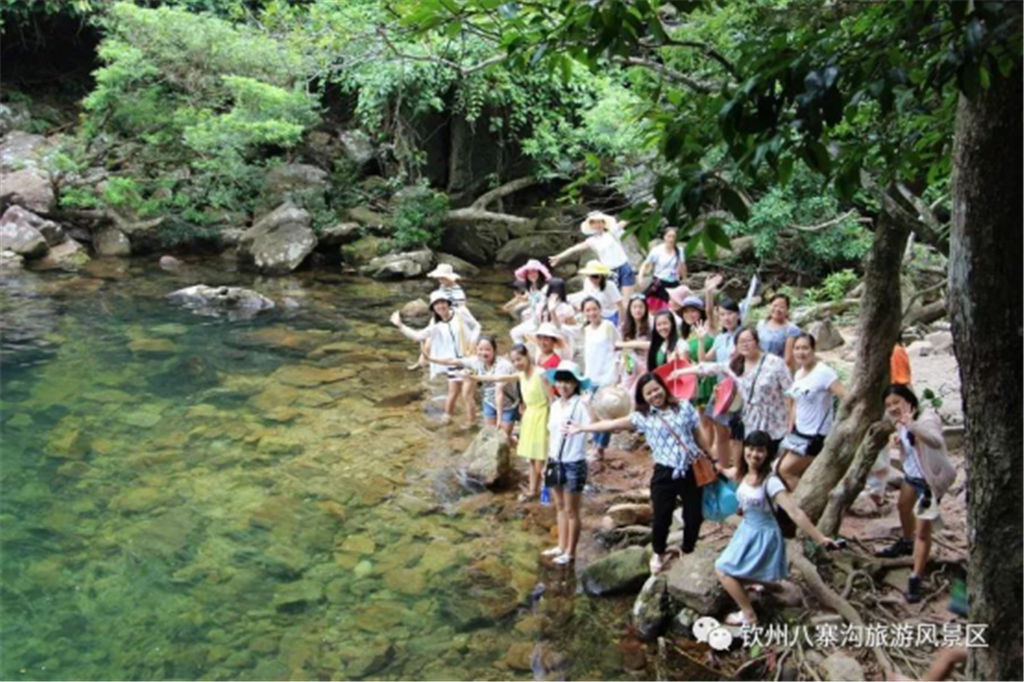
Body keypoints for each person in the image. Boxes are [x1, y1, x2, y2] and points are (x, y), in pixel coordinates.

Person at [569, 372, 711, 573]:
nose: (654, 395)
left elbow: (698, 433)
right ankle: (658, 552)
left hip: (691, 468)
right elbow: (612, 424)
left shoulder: (684, 406)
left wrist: (711, 456)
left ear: (663, 387)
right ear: (643, 397)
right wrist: (583, 428)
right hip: (664, 472)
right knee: (661, 516)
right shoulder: (642, 417)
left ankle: (688, 549)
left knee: (694, 515)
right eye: (648, 393)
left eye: (656, 389)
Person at [714, 430, 844, 626]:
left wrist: (820, 538)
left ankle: (749, 615)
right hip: (746, 529)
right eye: (750, 449)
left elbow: (795, 512)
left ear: (768, 453)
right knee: (736, 571)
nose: (754, 454)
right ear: (744, 449)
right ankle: (772, 587)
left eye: (760, 450)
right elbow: (728, 472)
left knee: (722, 570)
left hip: (764, 534)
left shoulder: (771, 481)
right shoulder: (743, 472)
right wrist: (712, 465)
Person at [874, 385, 956, 603]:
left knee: (923, 532)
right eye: (889, 405)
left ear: (909, 401)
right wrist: (899, 439)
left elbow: (936, 441)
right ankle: (906, 542)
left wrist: (912, 426)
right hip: (912, 477)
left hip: (929, 482)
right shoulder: (899, 421)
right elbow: (910, 446)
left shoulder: (927, 418)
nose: (893, 408)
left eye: (896, 402)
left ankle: (915, 578)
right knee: (902, 506)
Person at [390, 290, 480, 424]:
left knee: (467, 394)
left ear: (448, 303)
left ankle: (471, 422)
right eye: (436, 304)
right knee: (453, 393)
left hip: (469, 359)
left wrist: (473, 340)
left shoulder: (461, 313)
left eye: (442, 302)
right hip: (452, 363)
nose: (440, 306)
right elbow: (418, 336)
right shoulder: (436, 325)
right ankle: (447, 417)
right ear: (433, 308)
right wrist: (400, 325)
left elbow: (477, 326)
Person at [475, 344, 551, 502]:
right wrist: (475, 378)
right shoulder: (521, 375)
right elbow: (498, 378)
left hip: (543, 417)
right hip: (529, 417)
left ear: (527, 356)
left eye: (519, 359)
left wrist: (553, 423)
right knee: (531, 458)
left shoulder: (541, 374)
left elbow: (552, 399)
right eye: (513, 361)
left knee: (540, 460)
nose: (517, 363)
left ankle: (549, 492)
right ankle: (533, 490)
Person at [777, 333, 846, 490]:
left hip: (816, 436)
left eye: (805, 348)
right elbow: (796, 401)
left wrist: (841, 424)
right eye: (797, 348)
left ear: (813, 350)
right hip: (799, 433)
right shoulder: (799, 373)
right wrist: (791, 423)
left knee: (785, 470)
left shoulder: (824, 373)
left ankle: (802, 503)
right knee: (792, 471)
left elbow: (845, 396)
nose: (800, 352)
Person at [541, 361, 593, 565]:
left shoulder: (580, 404)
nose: (563, 386)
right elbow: (552, 436)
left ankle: (570, 552)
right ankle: (561, 546)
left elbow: (594, 425)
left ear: (576, 384)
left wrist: (589, 406)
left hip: (574, 462)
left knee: (572, 510)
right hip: (555, 461)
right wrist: (547, 461)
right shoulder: (555, 405)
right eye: (560, 381)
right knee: (560, 506)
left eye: (568, 382)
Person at [428, 335, 518, 440]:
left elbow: (499, 393)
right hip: (489, 402)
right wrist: (430, 359)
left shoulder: (503, 366)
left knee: (505, 437)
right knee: (491, 435)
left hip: (507, 405)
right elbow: (453, 361)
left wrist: (499, 417)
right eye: (480, 349)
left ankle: (513, 438)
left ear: (494, 350)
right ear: (476, 350)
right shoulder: (476, 361)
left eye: (487, 349)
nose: (483, 353)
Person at [550, 212, 636, 313]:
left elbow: (626, 221)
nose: (598, 225)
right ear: (591, 226)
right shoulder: (592, 241)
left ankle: (627, 319)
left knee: (626, 301)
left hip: (624, 267)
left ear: (604, 223)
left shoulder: (611, 232)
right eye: (594, 223)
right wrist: (559, 257)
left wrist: (643, 210)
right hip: (609, 272)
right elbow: (575, 249)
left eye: (600, 222)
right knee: (613, 301)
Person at [733, 326, 793, 449]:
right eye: (741, 342)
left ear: (757, 341)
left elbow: (790, 393)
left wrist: (791, 421)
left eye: (748, 340)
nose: (745, 345)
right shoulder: (737, 365)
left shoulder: (775, 363)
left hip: (775, 423)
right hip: (750, 423)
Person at [580, 297, 620, 462]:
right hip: (591, 376)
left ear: (600, 309)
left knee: (606, 413)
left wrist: (616, 374)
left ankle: (599, 447)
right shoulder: (586, 330)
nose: (591, 313)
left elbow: (618, 348)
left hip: (607, 376)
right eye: (587, 310)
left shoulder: (608, 326)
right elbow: (588, 355)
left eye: (594, 309)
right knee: (593, 413)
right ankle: (597, 444)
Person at [639, 226, 687, 312]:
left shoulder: (679, 251)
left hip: (673, 283)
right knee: (648, 303)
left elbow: (682, 266)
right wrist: (640, 277)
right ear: (664, 237)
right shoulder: (657, 250)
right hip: (659, 282)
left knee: (674, 306)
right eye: (669, 236)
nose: (671, 239)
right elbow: (646, 264)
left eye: (673, 237)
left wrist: (684, 280)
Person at [509, 259, 552, 343]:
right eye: (529, 272)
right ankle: (521, 350)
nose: (532, 274)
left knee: (520, 333)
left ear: (540, 273)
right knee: (514, 333)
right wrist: (520, 298)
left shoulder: (546, 288)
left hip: (543, 321)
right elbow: (531, 299)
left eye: (534, 271)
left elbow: (545, 304)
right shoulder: (532, 287)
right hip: (534, 320)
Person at [569, 260, 623, 326]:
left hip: (608, 315)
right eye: (590, 276)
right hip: (593, 314)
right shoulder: (587, 282)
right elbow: (586, 298)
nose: (593, 279)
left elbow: (620, 305)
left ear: (602, 276)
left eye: (595, 276)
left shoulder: (610, 286)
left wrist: (621, 323)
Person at [616, 294, 651, 397]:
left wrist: (628, 344)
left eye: (640, 307)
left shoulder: (651, 325)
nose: (637, 310)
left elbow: (651, 345)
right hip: (629, 363)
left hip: (645, 366)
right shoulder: (623, 327)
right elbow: (618, 346)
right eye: (634, 307)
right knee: (627, 391)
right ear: (630, 309)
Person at [757, 294, 801, 370]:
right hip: (759, 367)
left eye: (781, 307)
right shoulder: (761, 324)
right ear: (769, 306)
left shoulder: (791, 329)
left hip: (779, 369)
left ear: (787, 310)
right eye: (775, 306)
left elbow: (788, 359)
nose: (777, 309)